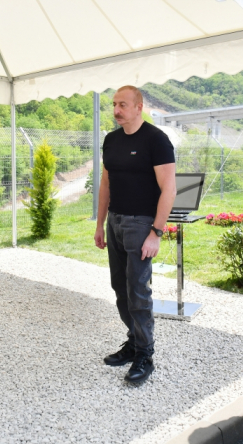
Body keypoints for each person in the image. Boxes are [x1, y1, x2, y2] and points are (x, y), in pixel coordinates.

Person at [94, 85, 176, 384]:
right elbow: (106, 184)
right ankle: (133, 340)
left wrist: (156, 232)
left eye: (123, 105)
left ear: (139, 107)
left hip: (142, 224)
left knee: (138, 291)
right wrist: (101, 223)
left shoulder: (156, 140)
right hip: (115, 221)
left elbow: (169, 189)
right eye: (115, 104)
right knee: (120, 288)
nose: (117, 110)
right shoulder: (111, 140)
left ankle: (145, 353)